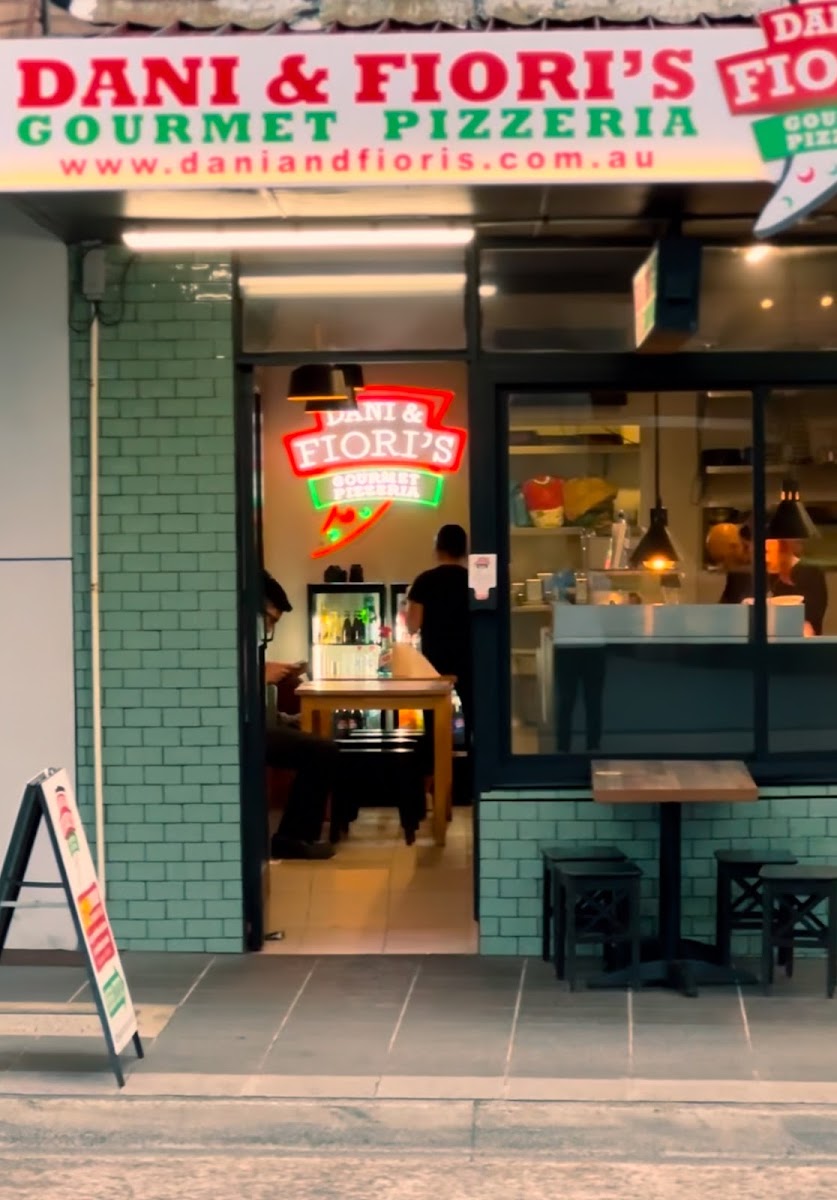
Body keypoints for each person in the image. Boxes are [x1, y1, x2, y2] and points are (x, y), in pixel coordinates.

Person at [262, 570, 338, 860]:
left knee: (323, 747)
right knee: (321, 751)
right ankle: (292, 839)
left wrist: (285, 718)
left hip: (254, 730)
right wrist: (259, 676)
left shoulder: (247, 644)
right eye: (269, 620)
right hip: (238, 735)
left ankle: (297, 836)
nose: (270, 629)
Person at [406, 524, 472, 732]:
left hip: (434, 660)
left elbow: (412, 626)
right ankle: (472, 751)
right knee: (474, 715)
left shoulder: (424, 581)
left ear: (438, 548)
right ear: (464, 549)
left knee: (434, 721)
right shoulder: (473, 580)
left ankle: (437, 752)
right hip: (468, 657)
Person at [719, 527, 827, 636]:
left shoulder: (810, 574)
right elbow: (723, 618)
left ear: (784, 546)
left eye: (767, 551)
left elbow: (809, 623)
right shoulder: (740, 576)